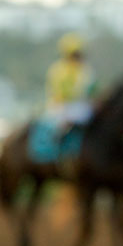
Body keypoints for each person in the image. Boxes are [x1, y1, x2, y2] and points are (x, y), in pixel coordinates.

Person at [34, 32, 95, 164]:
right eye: (75, 54)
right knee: (65, 122)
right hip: (61, 105)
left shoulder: (85, 69)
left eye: (79, 53)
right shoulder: (58, 70)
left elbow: (92, 88)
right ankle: (59, 152)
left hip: (80, 105)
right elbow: (59, 92)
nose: (78, 57)